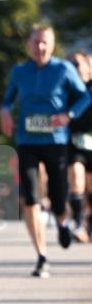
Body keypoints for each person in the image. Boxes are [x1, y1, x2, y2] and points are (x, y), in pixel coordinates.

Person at [1, 25, 90, 277]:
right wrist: (5, 111)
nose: (40, 47)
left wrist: (69, 114)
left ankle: (62, 221)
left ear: (52, 45)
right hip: (27, 140)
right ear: (29, 44)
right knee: (30, 197)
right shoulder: (19, 71)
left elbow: (85, 96)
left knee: (59, 196)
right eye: (36, 42)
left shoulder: (64, 69)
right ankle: (41, 255)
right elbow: (8, 99)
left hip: (55, 140)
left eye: (45, 43)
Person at [66, 51, 92, 242]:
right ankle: (78, 222)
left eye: (77, 63)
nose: (75, 67)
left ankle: (88, 221)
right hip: (74, 142)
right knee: (76, 175)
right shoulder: (67, 89)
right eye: (71, 64)